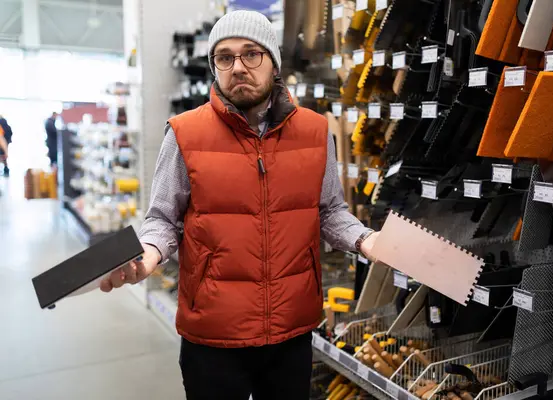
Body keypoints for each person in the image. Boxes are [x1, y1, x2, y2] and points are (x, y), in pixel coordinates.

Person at [100, 10, 379, 400]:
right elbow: (163, 219)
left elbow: (330, 211)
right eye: (225, 57)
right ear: (214, 66)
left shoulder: (316, 133)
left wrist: (367, 241)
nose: (238, 67)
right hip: (212, 335)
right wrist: (147, 256)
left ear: (273, 62)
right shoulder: (184, 133)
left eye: (251, 54)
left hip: (290, 330)